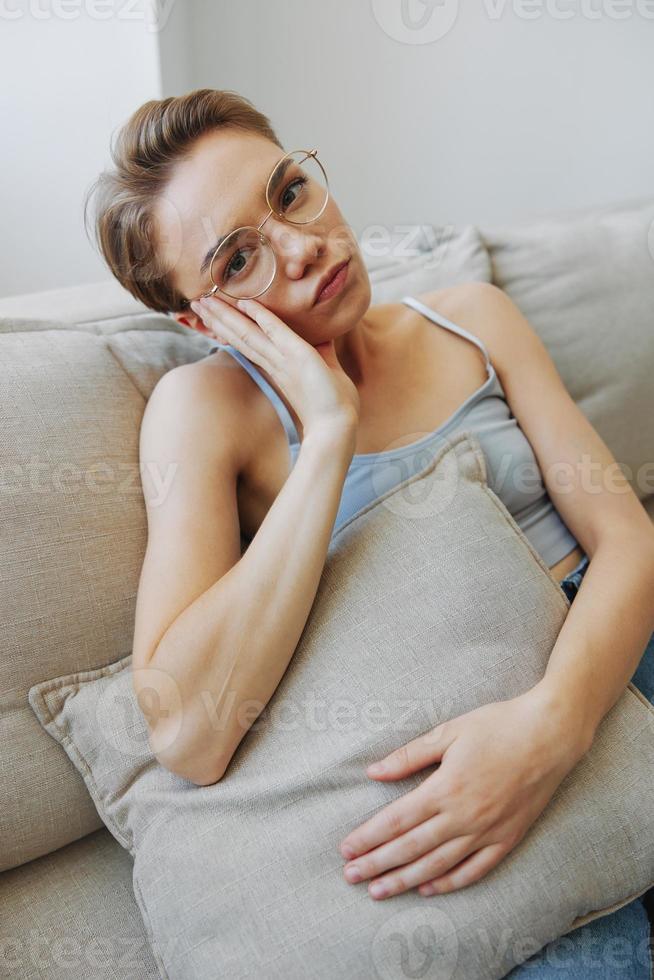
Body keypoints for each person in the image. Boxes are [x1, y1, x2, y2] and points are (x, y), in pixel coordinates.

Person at [85, 88, 654, 978]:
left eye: (289, 192)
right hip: (458, 740)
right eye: (240, 259)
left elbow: (628, 540)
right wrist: (326, 437)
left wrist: (553, 726)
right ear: (201, 320)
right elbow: (190, 734)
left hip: (610, 666)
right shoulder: (203, 412)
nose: (305, 246)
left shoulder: (471, 314)